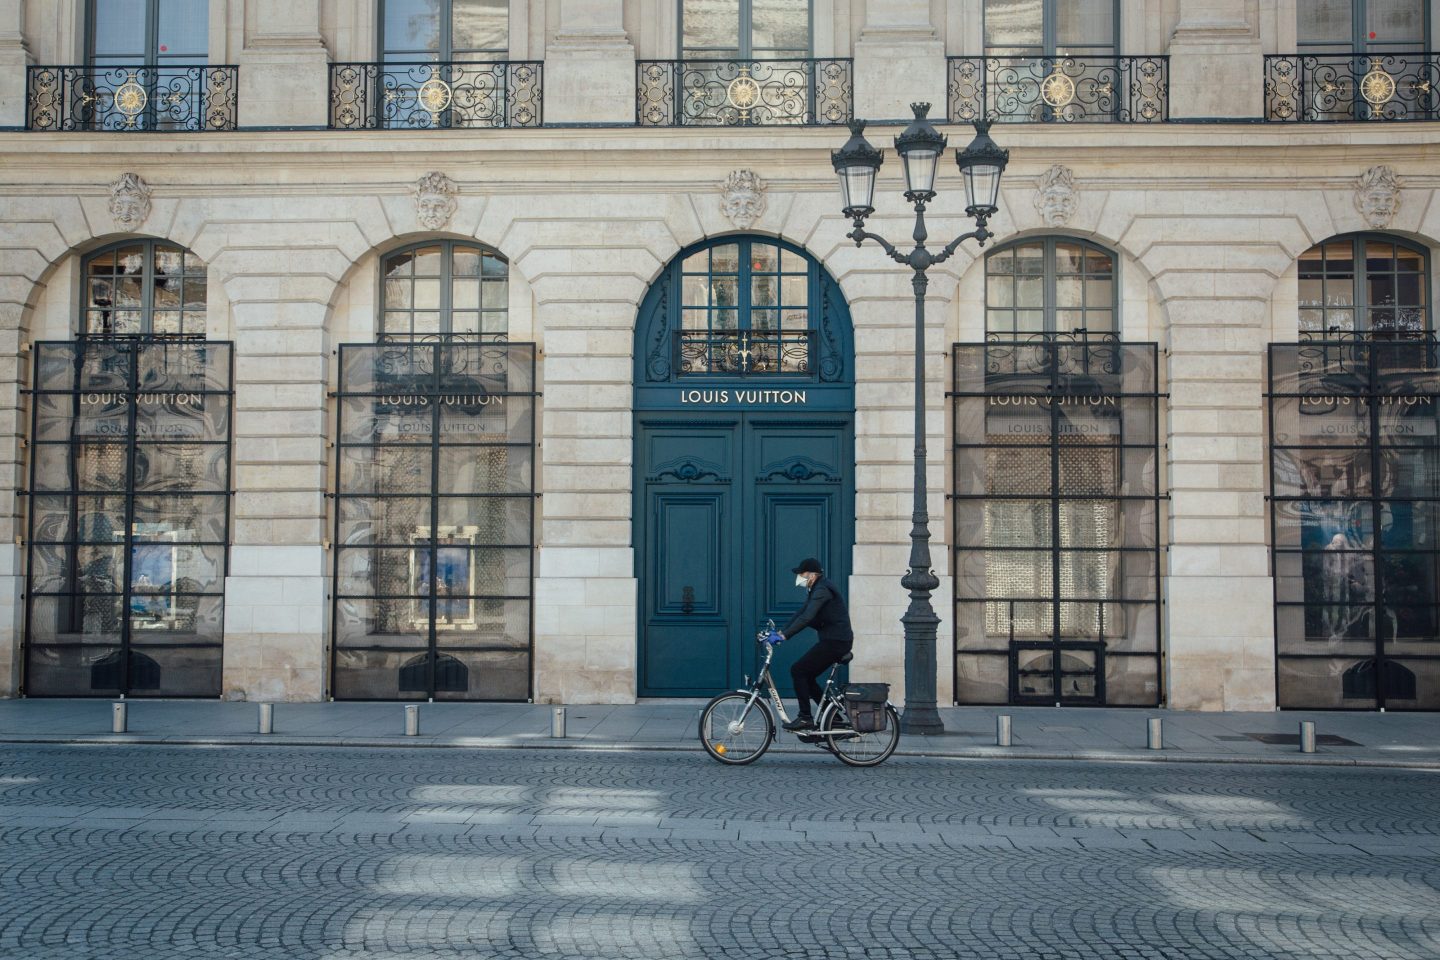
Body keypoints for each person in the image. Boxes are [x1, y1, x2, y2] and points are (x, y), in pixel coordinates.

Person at [776, 557, 853, 731]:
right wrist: (780, 632)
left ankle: (805, 717)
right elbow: (801, 613)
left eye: (801, 574)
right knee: (807, 676)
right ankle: (833, 719)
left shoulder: (822, 590)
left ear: (811, 575)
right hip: (834, 640)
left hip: (836, 642)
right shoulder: (817, 588)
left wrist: (784, 637)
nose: (799, 578)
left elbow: (806, 617)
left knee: (798, 670)